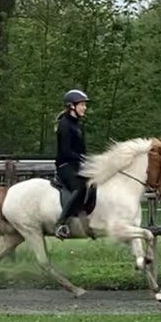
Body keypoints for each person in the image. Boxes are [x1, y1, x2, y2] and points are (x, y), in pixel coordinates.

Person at [53, 89, 89, 239]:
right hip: (65, 166)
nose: (85, 108)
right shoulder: (65, 125)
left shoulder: (76, 124)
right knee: (80, 187)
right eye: (82, 105)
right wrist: (82, 159)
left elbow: (80, 150)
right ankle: (61, 223)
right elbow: (66, 151)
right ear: (72, 106)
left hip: (76, 164)